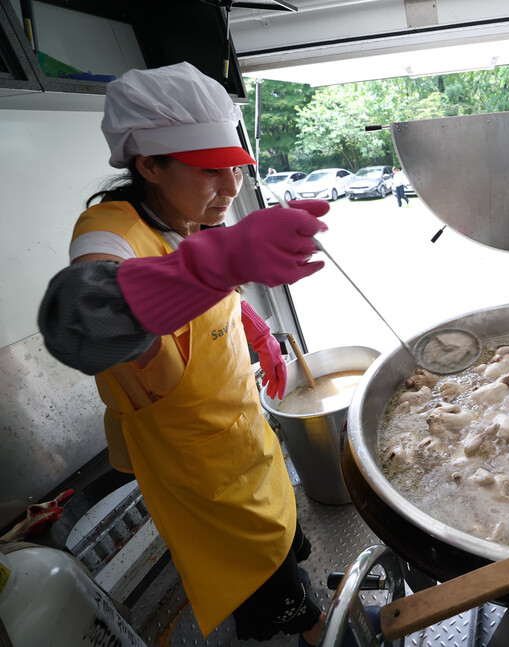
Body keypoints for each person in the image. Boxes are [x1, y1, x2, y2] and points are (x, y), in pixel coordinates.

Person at [37, 62, 330, 646]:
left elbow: (199, 300)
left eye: (238, 170)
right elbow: (77, 322)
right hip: (202, 472)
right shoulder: (109, 232)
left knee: (287, 542)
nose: (231, 189)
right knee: (275, 588)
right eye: (210, 172)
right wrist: (220, 260)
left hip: (246, 438)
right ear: (149, 165)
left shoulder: (187, 214)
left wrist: (255, 326)